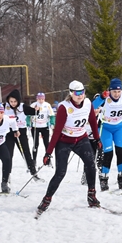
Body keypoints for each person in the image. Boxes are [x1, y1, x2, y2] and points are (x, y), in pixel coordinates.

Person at [36, 81, 102, 216]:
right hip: (64, 141)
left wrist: (97, 138)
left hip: (81, 139)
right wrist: (48, 153)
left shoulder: (88, 103)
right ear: (71, 93)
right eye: (77, 93)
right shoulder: (64, 108)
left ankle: (91, 195)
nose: (80, 95)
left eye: (82, 92)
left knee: (91, 165)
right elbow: (56, 132)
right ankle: (46, 199)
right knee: (61, 172)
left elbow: (92, 121)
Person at [92, 78, 122, 191]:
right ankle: (104, 179)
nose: (117, 94)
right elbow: (93, 106)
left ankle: (121, 178)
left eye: (118, 91)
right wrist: (101, 97)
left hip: (119, 127)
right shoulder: (106, 96)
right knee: (108, 154)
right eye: (114, 91)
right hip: (106, 128)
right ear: (110, 90)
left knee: (120, 152)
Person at [4, 89, 42, 181]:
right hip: (9, 132)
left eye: (15, 101)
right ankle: (7, 175)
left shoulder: (22, 107)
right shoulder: (4, 107)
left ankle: (33, 173)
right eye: (11, 101)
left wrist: (36, 110)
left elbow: (33, 112)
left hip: (21, 132)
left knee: (26, 153)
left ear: (18, 101)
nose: (13, 103)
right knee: (8, 154)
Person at [29, 92, 55, 166]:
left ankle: (48, 160)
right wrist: (28, 124)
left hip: (44, 126)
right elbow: (28, 116)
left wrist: (52, 123)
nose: (41, 100)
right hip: (35, 127)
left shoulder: (47, 105)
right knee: (35, 144)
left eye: (42, 99)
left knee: (46, 144)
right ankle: (34, 161)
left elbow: (52, 115)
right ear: (37, 98)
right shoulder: (33, 105)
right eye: (39, 99)